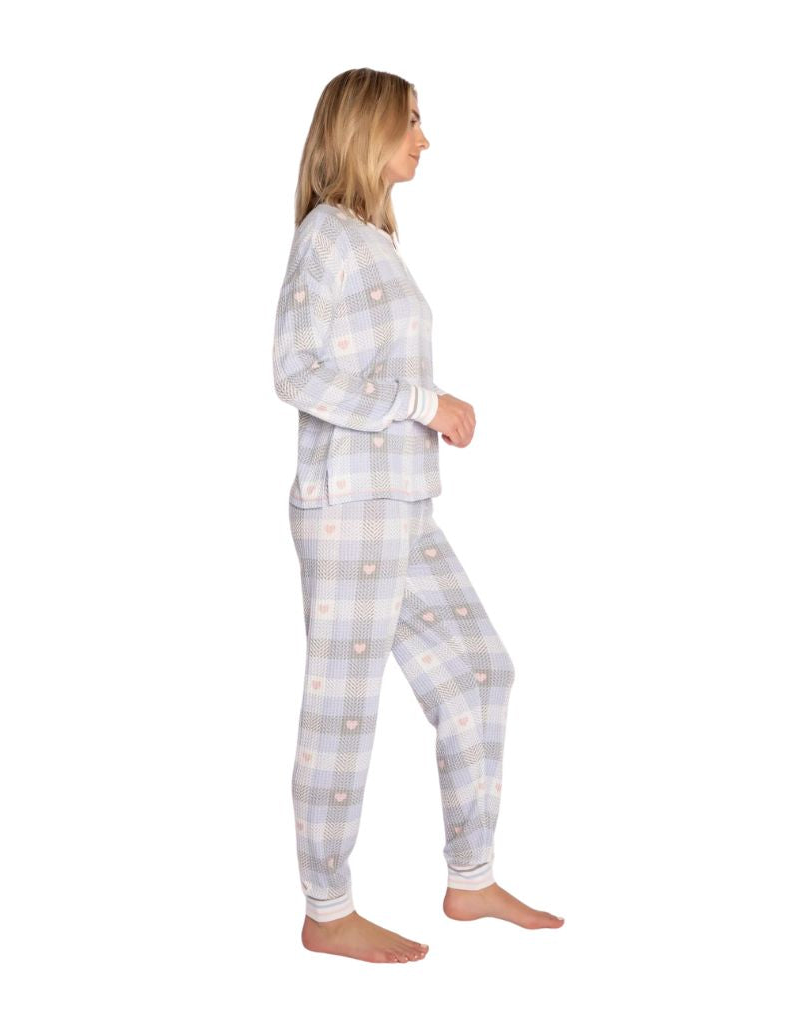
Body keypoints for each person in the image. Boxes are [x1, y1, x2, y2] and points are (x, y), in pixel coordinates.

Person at [272, 68, 564, 963]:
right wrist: (425, 402)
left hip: (402, 503)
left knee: (478, 670)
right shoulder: (326, 236)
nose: (424, 138)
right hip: (351, 507)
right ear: (366, 129)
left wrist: (421, 411)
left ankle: (470, 879)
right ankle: (327, 910)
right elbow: (295, 373)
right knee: (343, 707)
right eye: (410, 122)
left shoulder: (368, 237)